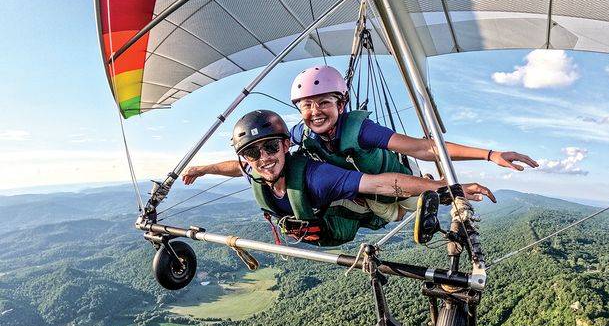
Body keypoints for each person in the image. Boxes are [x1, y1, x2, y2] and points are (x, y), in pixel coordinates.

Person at [181, 110, 495, 247]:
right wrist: (202, 169)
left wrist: (447, 188)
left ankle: (425, 185)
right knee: (384, 202)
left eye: (271, 148)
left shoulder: (318, 177)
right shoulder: (257, 168)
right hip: (324, 225)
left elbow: (383, 183)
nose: (263, 158)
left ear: (286, 146)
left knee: (392, 208)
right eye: (252, 153)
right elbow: (236, 167)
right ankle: (424, 185)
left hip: (359, 208)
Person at [288, 65, 539, 224]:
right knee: (392, 215)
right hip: (372, 193)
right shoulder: (303, 132)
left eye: (324, 103)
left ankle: (427, 182)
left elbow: (423, 148)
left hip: (401, 180)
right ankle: (426, 185)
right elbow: (275, 145)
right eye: (307, 105)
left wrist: (490, 154)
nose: (315, 112)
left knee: (415, 204)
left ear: (341, 105)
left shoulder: (362, 131)